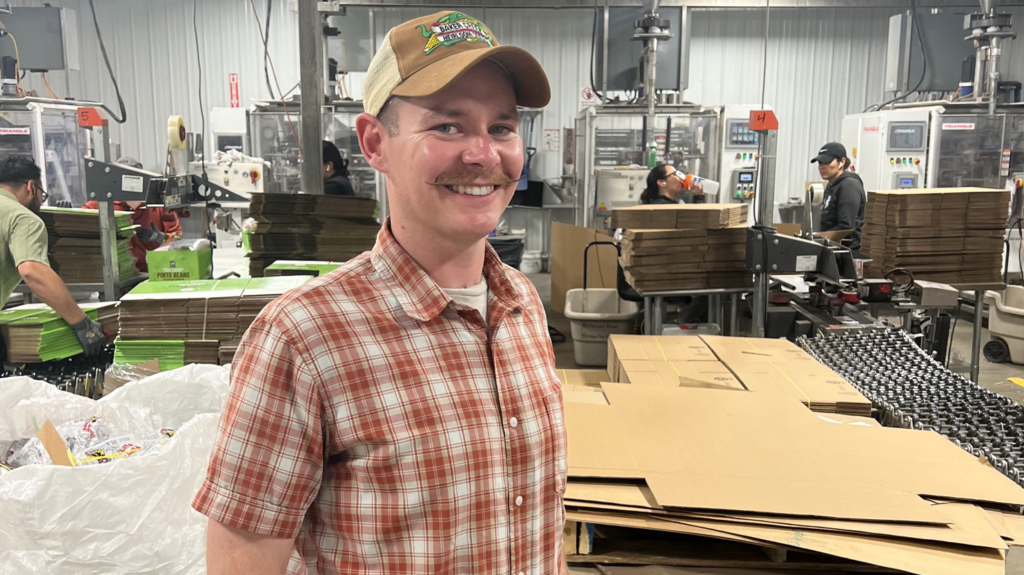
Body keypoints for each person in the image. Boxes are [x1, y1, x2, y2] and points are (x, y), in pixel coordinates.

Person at [194, 11, 567, 575]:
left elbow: (539, 528)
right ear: (375, 143)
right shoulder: (303, 338)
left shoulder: (521, 304)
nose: (483, 154)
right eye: (448, 126)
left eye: (502, 127)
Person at [0, 156, 106, 358]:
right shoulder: (23, 217)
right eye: (43, 194)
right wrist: (81, 323)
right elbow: (31, 271)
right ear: (31, 187)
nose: (41, 201)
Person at [81, 157, 182, 272]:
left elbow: (179, 238)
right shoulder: (102, 204)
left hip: (153, 274)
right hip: (116, 277)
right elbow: (78, 220)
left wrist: (161, 237)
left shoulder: (160, 205)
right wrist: (63, 211)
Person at [811, 142, 866, 253]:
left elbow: (846, 226)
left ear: (842, 162)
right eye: (820, 162)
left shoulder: (849, 186)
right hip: (831, 248)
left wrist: (818, 238)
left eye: (826, 162)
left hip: (846, 252)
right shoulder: (831, 186)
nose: (821, 166)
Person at [640, 163, 705, 205]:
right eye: (675, 174)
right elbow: (697, 222)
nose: (681, 178)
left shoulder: (664, 204)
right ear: (662, 183)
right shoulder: (663, 207)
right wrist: (698, 197)